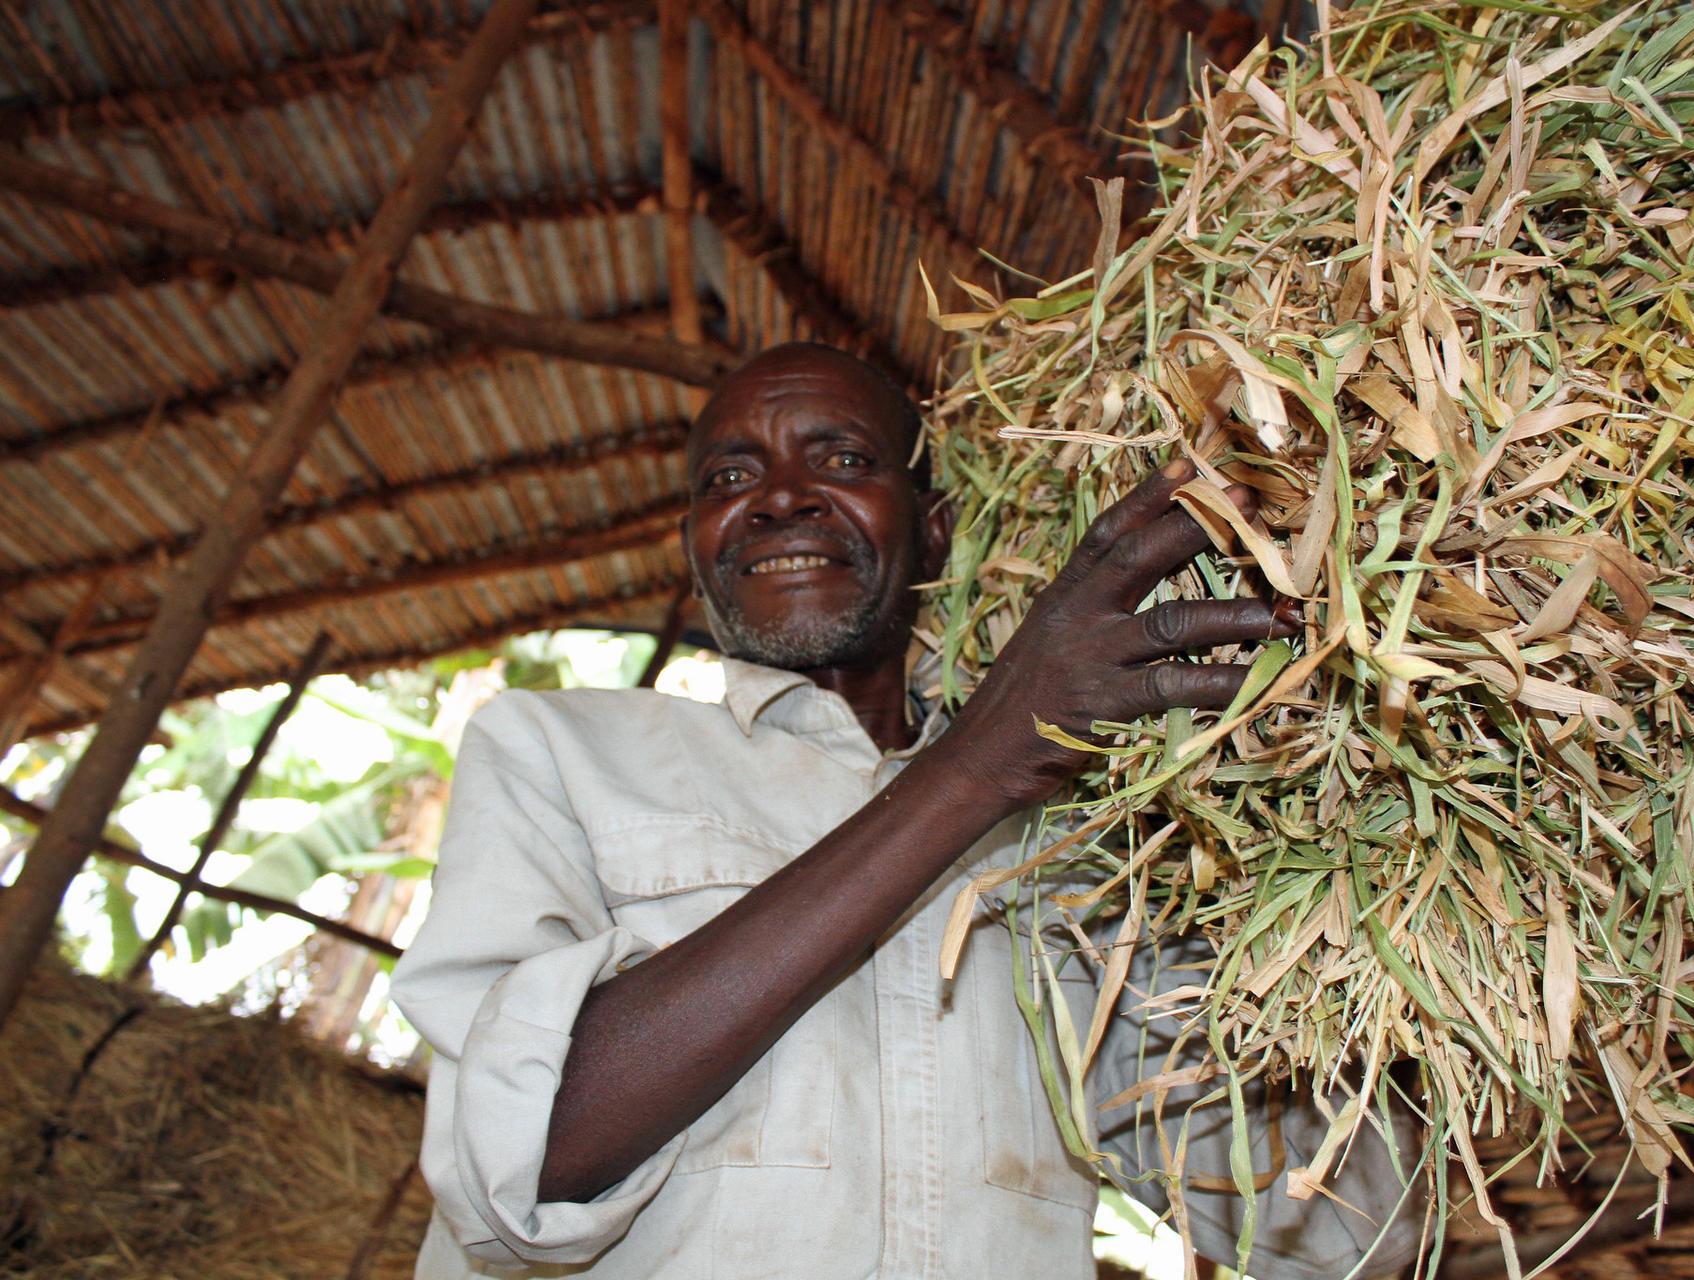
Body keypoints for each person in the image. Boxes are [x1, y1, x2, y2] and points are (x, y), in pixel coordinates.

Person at [392, 343, 1420, 1278]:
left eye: (841, 461)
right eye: (728, 478)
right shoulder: (561, 751)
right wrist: (981, 758)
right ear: (697, 547)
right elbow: (519, 1156)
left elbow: (1341, 1230)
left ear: (933, 532)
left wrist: (1359, 917)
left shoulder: (1073, 849)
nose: (779, 499)